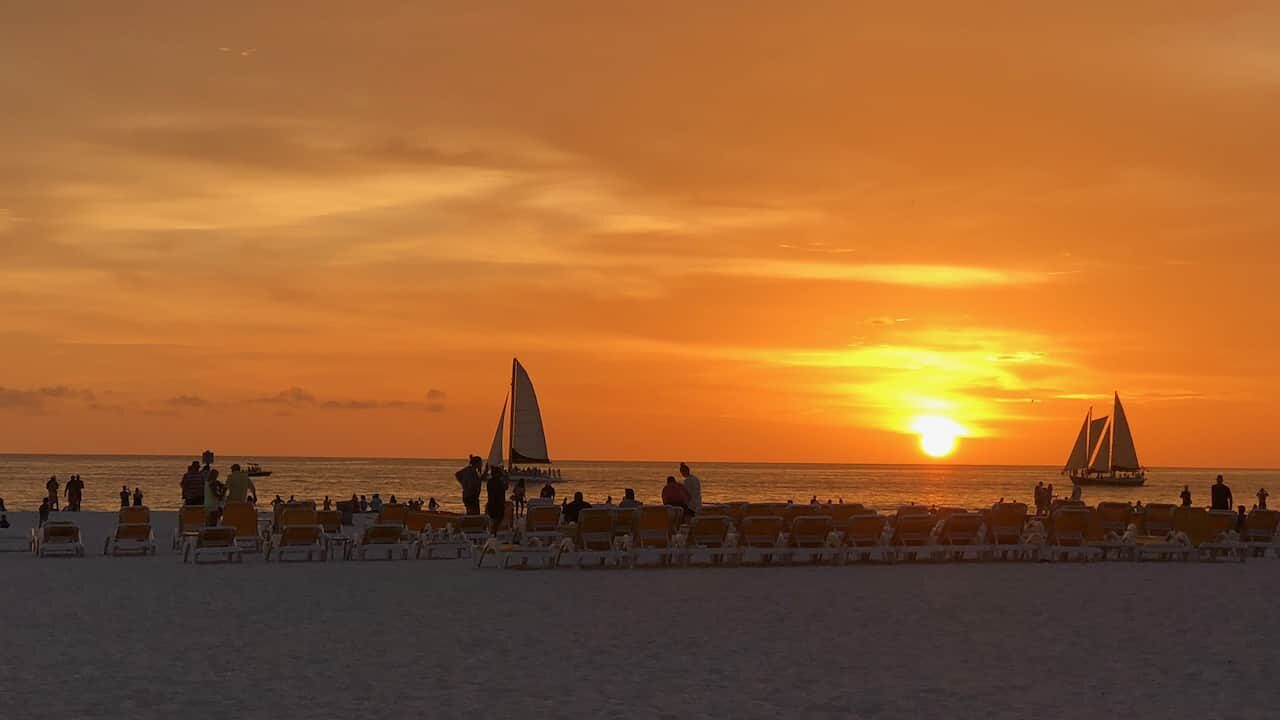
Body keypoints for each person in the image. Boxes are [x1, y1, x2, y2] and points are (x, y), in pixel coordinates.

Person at [485, 467, 508, 533]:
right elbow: (506, 487)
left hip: (491, 503)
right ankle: (493, 533)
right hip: (499, 504)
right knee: (497, 520)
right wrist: (506, 478)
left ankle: (493, 533)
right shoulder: (500, 481)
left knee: (494, 520)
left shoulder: (489, 482)